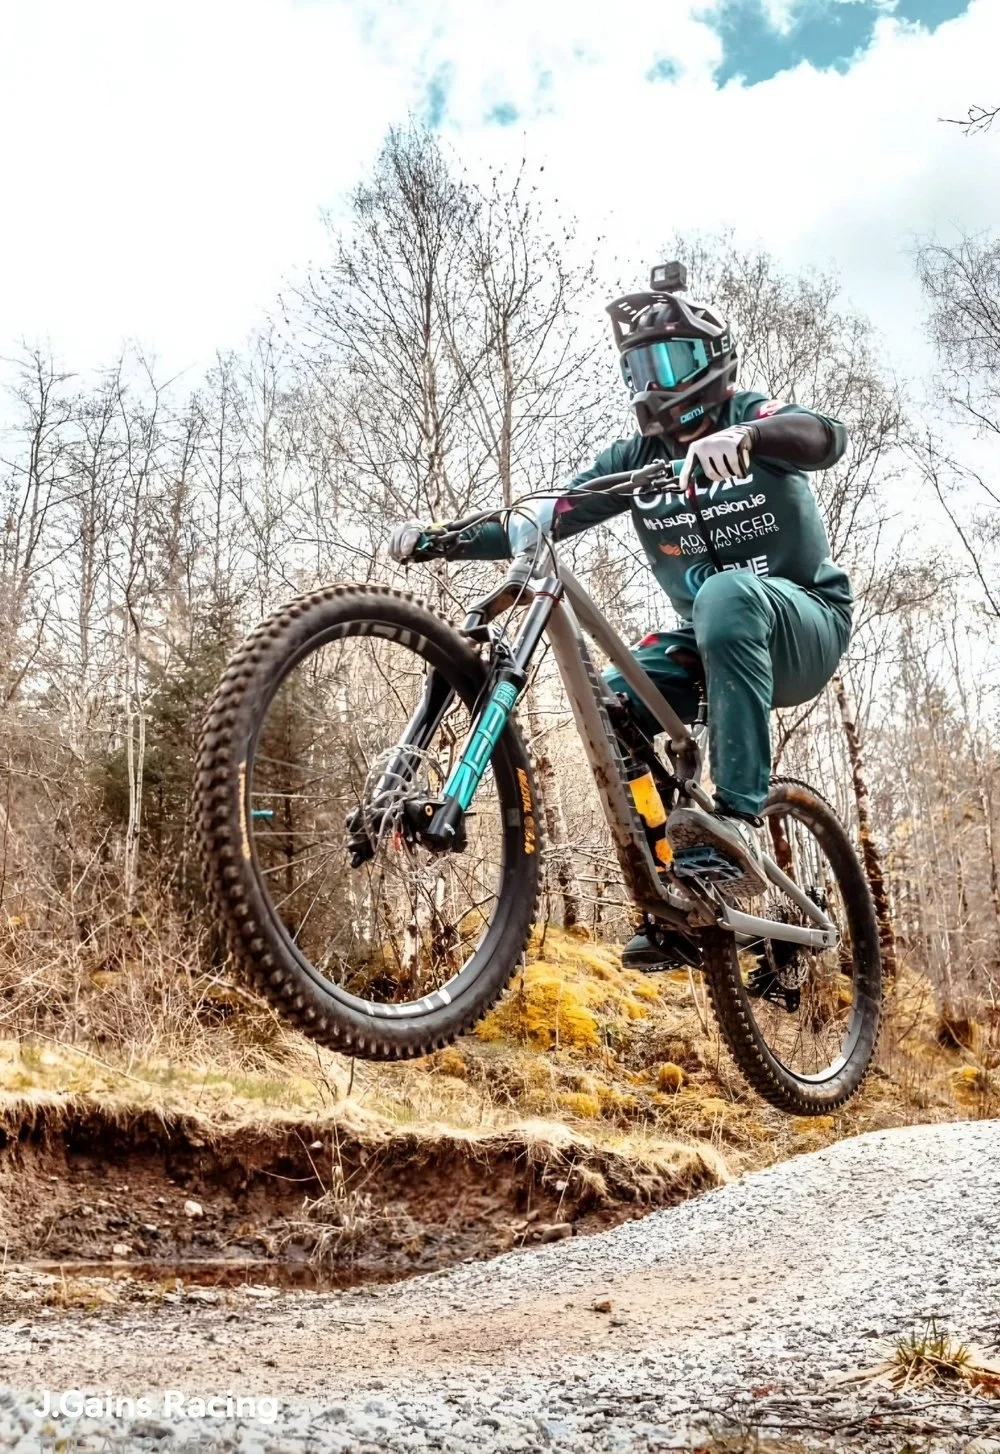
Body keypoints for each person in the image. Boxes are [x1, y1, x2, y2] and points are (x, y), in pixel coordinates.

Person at [389, 263, 852, 970]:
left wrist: (751, 441)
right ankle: (676, 897)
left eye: (674, 358)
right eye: (642, 365)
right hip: (714, 641)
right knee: (615, 704)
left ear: (715, 360)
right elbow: (543, 517)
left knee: (725, 593)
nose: (657, 380)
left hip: (804, 624)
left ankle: (736, 819)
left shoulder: (750, 416)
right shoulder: (635, 461)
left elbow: (823, 436)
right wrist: (442, 538)